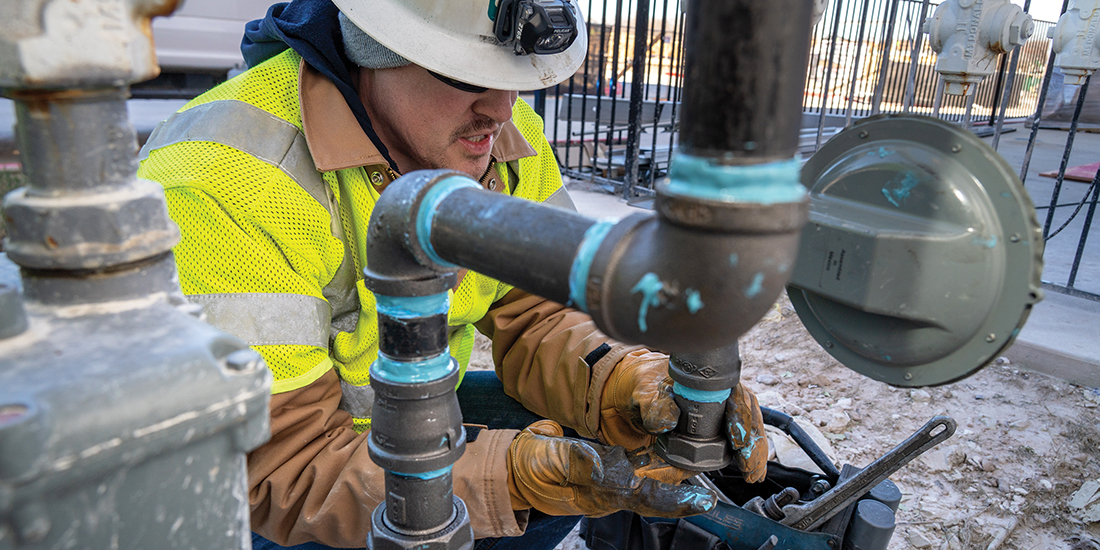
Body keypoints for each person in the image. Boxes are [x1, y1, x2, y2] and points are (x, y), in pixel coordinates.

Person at [137, 0, 769, 548]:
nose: (501, 108)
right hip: (226, 502)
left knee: (580, 440)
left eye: (514, 77)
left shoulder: (499, 137)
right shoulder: (225, 180)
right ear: (375, 45)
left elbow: (536, 309)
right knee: (513, 485)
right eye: (467, 74)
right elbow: (277, 468)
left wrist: (621, 383)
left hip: (370, 434)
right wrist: (509, 477)